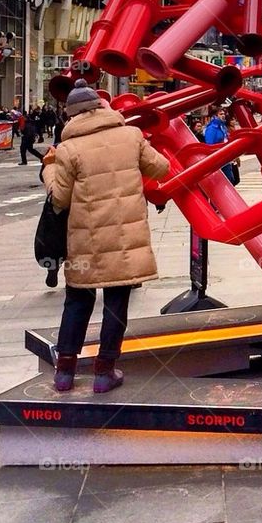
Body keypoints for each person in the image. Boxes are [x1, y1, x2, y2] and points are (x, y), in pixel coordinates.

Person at [43, 79, 169, 393]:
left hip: (85, 241)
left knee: (77, 301)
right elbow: (161, 168)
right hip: (125, 240)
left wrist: (49, 168)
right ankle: (104, 372)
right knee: (116, 303)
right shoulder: (131, 136)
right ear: (101, 106)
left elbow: (60, 200)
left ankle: (64, 373)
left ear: (71, 115)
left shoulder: (68, 149)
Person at [203, 105, 237, 184]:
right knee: (227, 180)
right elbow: (209, 145)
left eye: (223, 114)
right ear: (215, 116)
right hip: (218, 159)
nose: (223, 115)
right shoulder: (211, 128)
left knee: (231, 179)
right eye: (221, 114)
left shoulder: (222, 126)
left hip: (226, 157)